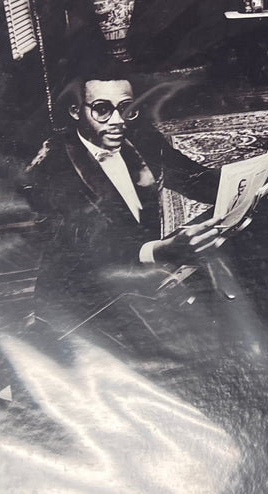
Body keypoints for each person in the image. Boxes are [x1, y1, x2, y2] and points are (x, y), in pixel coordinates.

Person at [25, 69, 225, 336]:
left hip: (140, 274)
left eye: (126, 108)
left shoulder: (140, 137)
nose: (118, 121)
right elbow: (92, 251)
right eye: (102, 110)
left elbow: (193, 177)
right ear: (75, 111)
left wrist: (247, 180)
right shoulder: (51, 170)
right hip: (83, 300)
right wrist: (162, 249)